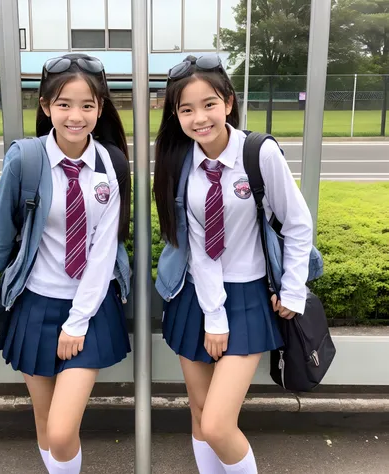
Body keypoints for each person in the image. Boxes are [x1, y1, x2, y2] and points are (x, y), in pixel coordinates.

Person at [0, 53, 131, 474]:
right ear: (46, 105)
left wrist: (77, 321)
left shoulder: (112, 165)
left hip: (88, 307)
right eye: (64, 104)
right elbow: (1, 228)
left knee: (62, 430)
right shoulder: (26, 159)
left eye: (87, 105)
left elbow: (106, 251)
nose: (76, 115)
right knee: (44, 420)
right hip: (35, 304)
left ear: (100, 109)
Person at [153, 55, 313, 474]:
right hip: (196, 295)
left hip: (249, 294)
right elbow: (199, 246)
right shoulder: (179, 161)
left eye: (208, 104)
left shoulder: (258, 153)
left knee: (218, 424)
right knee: (200, 413)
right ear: (175, 115)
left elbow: (297, 223)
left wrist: (294, 289)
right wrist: (213, 315)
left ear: (228, 101)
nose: (199, 118)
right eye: (186, 109)